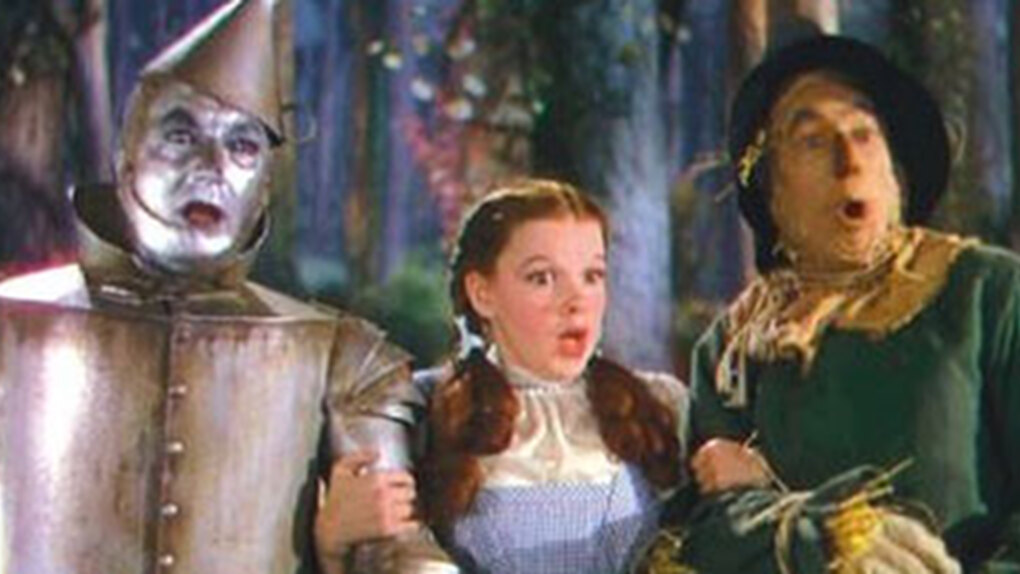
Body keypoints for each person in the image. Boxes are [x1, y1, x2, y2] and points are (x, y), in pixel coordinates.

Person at [0, 1, 453, 573]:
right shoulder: (11, 325)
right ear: (126, 158)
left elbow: (396, 549)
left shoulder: (345, 359)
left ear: (264, 184)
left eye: (242, 146)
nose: (212, 166)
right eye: (180, 135)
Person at [675, 34, 1019, 573]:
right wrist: (821, 533)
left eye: (864, 133)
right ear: (771, 189)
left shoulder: (987, 293)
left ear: (896, 168)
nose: (849, 160)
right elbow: (710, 532)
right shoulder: (735, 346)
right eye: (812, 140)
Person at [414, 178, 688, 574]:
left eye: (592, 276)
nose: (576, 302)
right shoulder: (426, 408)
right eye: (542, 278)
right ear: (482, 293)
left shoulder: (659, 405)